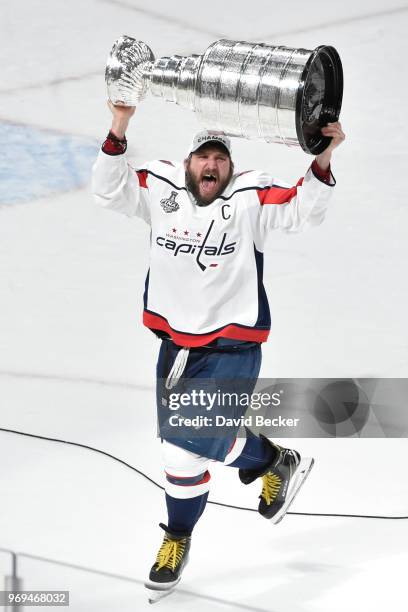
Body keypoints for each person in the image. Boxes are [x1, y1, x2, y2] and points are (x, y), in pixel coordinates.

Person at [92, 102, 345, 599]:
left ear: (229, 169)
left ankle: (268, 461)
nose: (211, 165)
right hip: (176, 346)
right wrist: (119, 124)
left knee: (190, 433)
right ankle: (244, 483)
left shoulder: (250, 199)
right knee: (179, 455)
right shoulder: (160, 190)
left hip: (232, 345)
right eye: (203, 157)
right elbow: (107, 190)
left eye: (220, 159)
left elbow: (303, 211)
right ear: (188, 163)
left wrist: (322, 160)